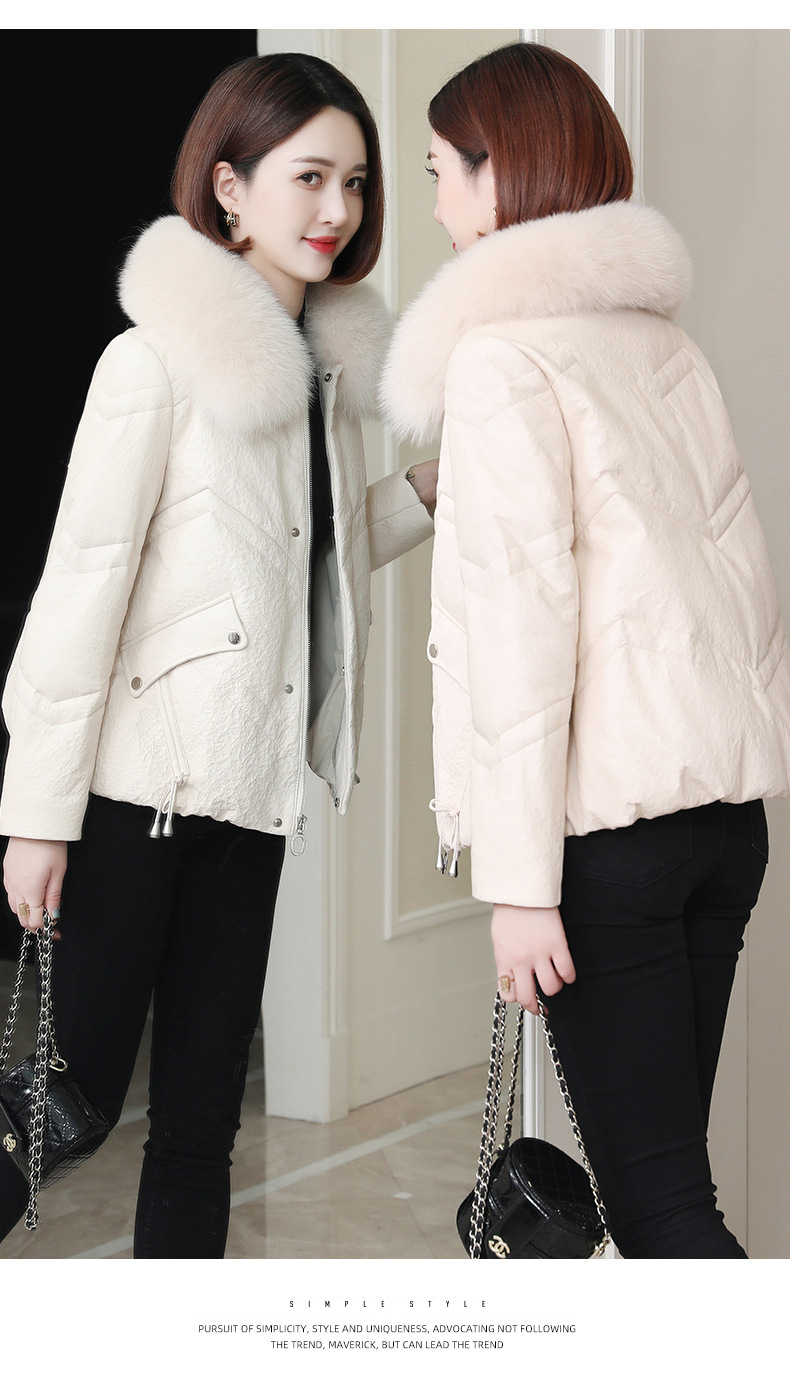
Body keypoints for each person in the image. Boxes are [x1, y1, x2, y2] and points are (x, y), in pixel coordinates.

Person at [0, 51, 437, 1258]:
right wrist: (35, 816)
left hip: (253, 798)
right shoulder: (152, 363)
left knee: (200, 1128)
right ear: (230, 187)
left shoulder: (322, 381)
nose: (338, 208)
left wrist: (418, 495)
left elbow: (306, 565)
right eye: (310, 176)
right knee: (69, 1110)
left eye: (356, 181)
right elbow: (80, 591)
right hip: (134, 801)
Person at [382, 41, 790, 1259]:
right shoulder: (662, 343)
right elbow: (733, 578)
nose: (437, 208)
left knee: (662, 1213)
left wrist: (518, 886)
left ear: (500, 169)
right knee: (658, 1192)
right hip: (721, 823)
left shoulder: (499, 356)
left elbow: (522, 628)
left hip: (607, 842)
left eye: (441, 173)